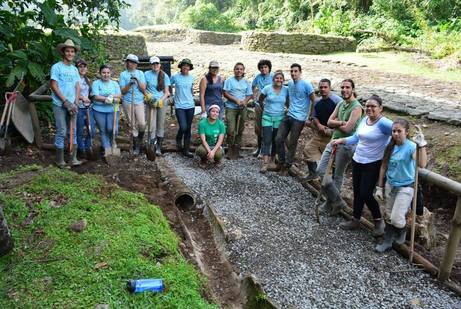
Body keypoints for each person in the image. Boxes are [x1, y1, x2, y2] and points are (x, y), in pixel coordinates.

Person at [333, 94, 393, 236]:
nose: (369, 108)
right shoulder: (365, 119)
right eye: (367, 106)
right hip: (358, 159)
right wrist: (341, 140)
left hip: (373, 163)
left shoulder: (384, 123)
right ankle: (355, 219)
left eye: (373, 106)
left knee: (366, 193)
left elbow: (398, 133)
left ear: (381, 108)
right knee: (357, 191)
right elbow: (356, 137)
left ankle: (379, 221)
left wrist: (391, 149)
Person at [375, 119, 428, 252]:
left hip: (406, 186)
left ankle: (402, 230)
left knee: (397, 218)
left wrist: (421, 145)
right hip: (390, 185)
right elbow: (383, 167)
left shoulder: (411, 146)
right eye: (394, 131)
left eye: (399, 131)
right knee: (388, 215)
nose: (396, 133)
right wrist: (380, 187)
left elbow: (422, 164)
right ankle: (387, 241)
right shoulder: (390, 145)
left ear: (406, 132)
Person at [316, 79, 363, 215]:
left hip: (346, 144)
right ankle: (337, 201)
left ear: (353, 89)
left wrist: (337, 123)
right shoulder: (341, 104)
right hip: (333, 141)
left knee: (338, 175)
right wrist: (341, 122)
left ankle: (329, 204)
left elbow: (348, 129)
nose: (344, 90)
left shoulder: (357, 107)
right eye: (342, 87)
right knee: (321, 170)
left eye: (347, 87)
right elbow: (329, 122)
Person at [273, 63, 315, 175]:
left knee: (292, 142)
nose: (293, 73)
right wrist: (287, 106)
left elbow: (314, 100)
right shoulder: (290, 84)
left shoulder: (306, 84)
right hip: (288, 115)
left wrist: (310, 116)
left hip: (299, 118)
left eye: (295, 71)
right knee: (278, 138)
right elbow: (288, 96)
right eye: (291, 71)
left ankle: (287, 165)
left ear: (300, 72)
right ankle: (281, 162)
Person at [50, 39, 81, 168]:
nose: (70, 53)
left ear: (74, 54)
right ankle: (59, 160)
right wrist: (65, 101)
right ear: (63, 52)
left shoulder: (74, 69)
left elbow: (77, 86)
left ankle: (73, 158)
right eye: (67, 51)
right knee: (62, 130)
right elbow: (54, 85)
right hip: (59, 104)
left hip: (72, 104)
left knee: (73, 130)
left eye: (72, 51)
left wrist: (76, 102)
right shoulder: (57, 67)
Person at [302, 79, 342, 180]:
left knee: (331, 161)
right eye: (321, 87)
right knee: (308, 150)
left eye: (325, 87)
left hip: (332, 135)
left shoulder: (338, 101)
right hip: (319, 132)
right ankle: (313, 174)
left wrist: (330, 126)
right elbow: (314, 116)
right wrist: (319, 125)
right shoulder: (316, 101)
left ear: (330, 88)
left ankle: (331, 183)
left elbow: (341, 117)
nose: (323, 89)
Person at [258, 71, 289, 173]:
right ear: (273, 79)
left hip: (279, 118)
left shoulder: (286, 90)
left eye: (281, 78)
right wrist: (264, 109)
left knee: (276, 139)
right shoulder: (267, 88)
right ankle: (265, 163)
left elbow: (288, 102)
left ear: (283, 80)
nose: (279, 80)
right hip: (267, 117)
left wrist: (287, 110)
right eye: (277, 78)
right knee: (266, 139)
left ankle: (272, 160)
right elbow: (260, 99)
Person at [223, 62, 253, 158]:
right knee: (231, 129)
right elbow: (225, 93)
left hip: (242, 108)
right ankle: (229, 148)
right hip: (231, 107)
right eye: (237, 69)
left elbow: (249, 94)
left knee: (240, 129)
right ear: (234, 70)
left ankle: (237, 149)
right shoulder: (229, 81)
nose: (239, 70)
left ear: (243, 71)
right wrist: (235, 100)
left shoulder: (246, 82)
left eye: (241, 69)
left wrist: (245, 101)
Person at [119, 54, 147, 155]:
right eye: (130, 62)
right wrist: (129, 84)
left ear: (136, 64)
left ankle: (139, 140)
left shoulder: (140, 73)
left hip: (139, 101)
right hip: (128, 102)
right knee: (132, 125)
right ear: (127, 63)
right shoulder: (123, 74)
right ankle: (136, 147)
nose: (132, 64)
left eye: (134, 62)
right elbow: (122, 91)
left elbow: (143, 88)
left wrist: (137, 80)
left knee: (142, 124)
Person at [91, 64, 122, 155]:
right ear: (100, 73)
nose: (106, 74)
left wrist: (112, 97)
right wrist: (106, 99)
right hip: (99, 110)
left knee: (112, 129)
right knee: (103, 130)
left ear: (110, 73)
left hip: (113, 110)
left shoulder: (114, 84)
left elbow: (119, 95)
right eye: (103, 73)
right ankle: (107, 149)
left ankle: (113, 141)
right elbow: (96, 96)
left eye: (108, 73)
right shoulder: (96, 83)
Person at [144, 56, 171, 156]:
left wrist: (160, 100)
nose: (155, 65)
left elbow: (167, 92)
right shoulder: (146, 74)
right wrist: (149, 97)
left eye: (157, 64)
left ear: (159, 64)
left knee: (160, 124)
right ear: (150, 65)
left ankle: (159, 147)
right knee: (151, 124)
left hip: (161, 102)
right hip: (150, 101)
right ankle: (151, 145)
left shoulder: (164, 75)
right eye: (153, 64)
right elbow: (144, 89)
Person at [171, 58, 195, 158]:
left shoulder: (191, 78)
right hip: (179, 105)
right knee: (183, 126)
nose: (186, 67)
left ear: (190, 68)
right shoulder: (175, 77)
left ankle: (186, 150)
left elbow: (191, 90)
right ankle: (178, 138)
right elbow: (168, 85)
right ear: (181, 67)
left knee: (188, 128)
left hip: (190, 105)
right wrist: (170, 96)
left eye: (188, 65)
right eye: (184, 65)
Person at [251, 59, 273, 157]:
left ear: (269, 68)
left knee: (267, 127)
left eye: (265, 67)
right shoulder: (258, 77)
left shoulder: (273, 77)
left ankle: (266, 150)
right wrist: (253, 97)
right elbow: (252, 87)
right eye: (261, 67)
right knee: (258, 127)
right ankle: (259, 148)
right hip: (259, 105)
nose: (263, 69)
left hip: (269, 105)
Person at [75, 58, 94, 159]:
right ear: (76, 68)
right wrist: (82, 98)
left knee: (92, 130)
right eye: (80, 67)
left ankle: (88, 147)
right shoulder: (75, 79)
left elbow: (89, 94)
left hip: (88, 108)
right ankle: (81, 150)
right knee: (79, 130)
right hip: (78, 107)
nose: (82, 68)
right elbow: (71, 94)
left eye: (84, 66)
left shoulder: (88, 80)